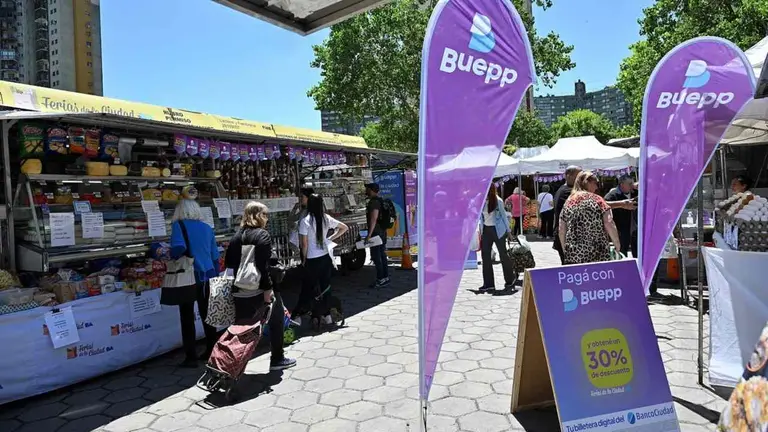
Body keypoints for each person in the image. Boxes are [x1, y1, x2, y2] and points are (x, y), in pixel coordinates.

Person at [225, 201, 296, 371]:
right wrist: (268, 290)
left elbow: (229, 262)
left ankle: (234, 363)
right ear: (258, 216)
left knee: (241, 327)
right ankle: (277, 359)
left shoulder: (236, 236)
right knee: (277, 321)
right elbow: (264, 267)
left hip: (240, 289)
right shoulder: (262, 235)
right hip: (259, 288)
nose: (267, 219)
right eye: (265, 215)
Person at [163, 191, 220, 368]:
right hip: (208, 275)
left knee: (187, 317)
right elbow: (215, 255)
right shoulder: (207, 228)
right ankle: (212, 350)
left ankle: (191, 357)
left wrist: (167, 252)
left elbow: (178, 247)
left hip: (189, 276)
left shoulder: (179, 226)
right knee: (207, 315)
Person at [293, 194, 349, 324]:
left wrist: (304, 260)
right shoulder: (326, 218)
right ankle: (327, 315)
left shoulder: (305, 221)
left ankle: (297, 315)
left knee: (307, 288)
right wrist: (329, 239)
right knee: (325, 287)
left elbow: (304, 244)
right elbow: (344, 227)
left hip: (312, 259)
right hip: (325, 257)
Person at [558, 171, 622, 265]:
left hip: (574, 254)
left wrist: (565, 250)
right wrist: (617, 245)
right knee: (598, 278)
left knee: (579, 279)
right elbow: (609, 222)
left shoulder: (569, 202)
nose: (596, 187)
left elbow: (561, 229)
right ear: (586, 182)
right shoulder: (598, 200)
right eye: (595, 183)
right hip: (598, 252)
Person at [480, 184, 517, 292]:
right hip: (486, 230)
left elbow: (504, 216)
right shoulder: (481, 200)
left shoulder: (498, 200)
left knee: (503, 254)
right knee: (485, 256)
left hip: (498, 230)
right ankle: (488, 283)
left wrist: (509, 232)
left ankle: (510, 279)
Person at [553, 166, 582, 264]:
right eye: (578, 175)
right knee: (570, 267)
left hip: (565, 234)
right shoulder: (567, 192)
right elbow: (591, 204)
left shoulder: (564, 189)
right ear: (568, 176)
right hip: (566, 236)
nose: (580, 178)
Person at [604, 175, 638, 258]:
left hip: (635, 229)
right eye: (629, 184)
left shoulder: (635, 193)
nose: (632, 186)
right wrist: (621, 204)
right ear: (622, 184)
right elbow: (604, 205)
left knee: (637, 252)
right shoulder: (612, 195)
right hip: (621, 230)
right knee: (622, 253)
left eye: (632, 184)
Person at [365, 183, 390, 288]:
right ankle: (385, 277)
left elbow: (374, 219)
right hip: (382, 231)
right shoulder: (381, 200)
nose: (365, 191)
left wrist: (369, 235)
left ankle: (381, 278)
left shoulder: (374, 202)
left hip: (376, 233)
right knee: (382, 255)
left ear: (371, 190)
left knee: (376, 256)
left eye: (367, 189)